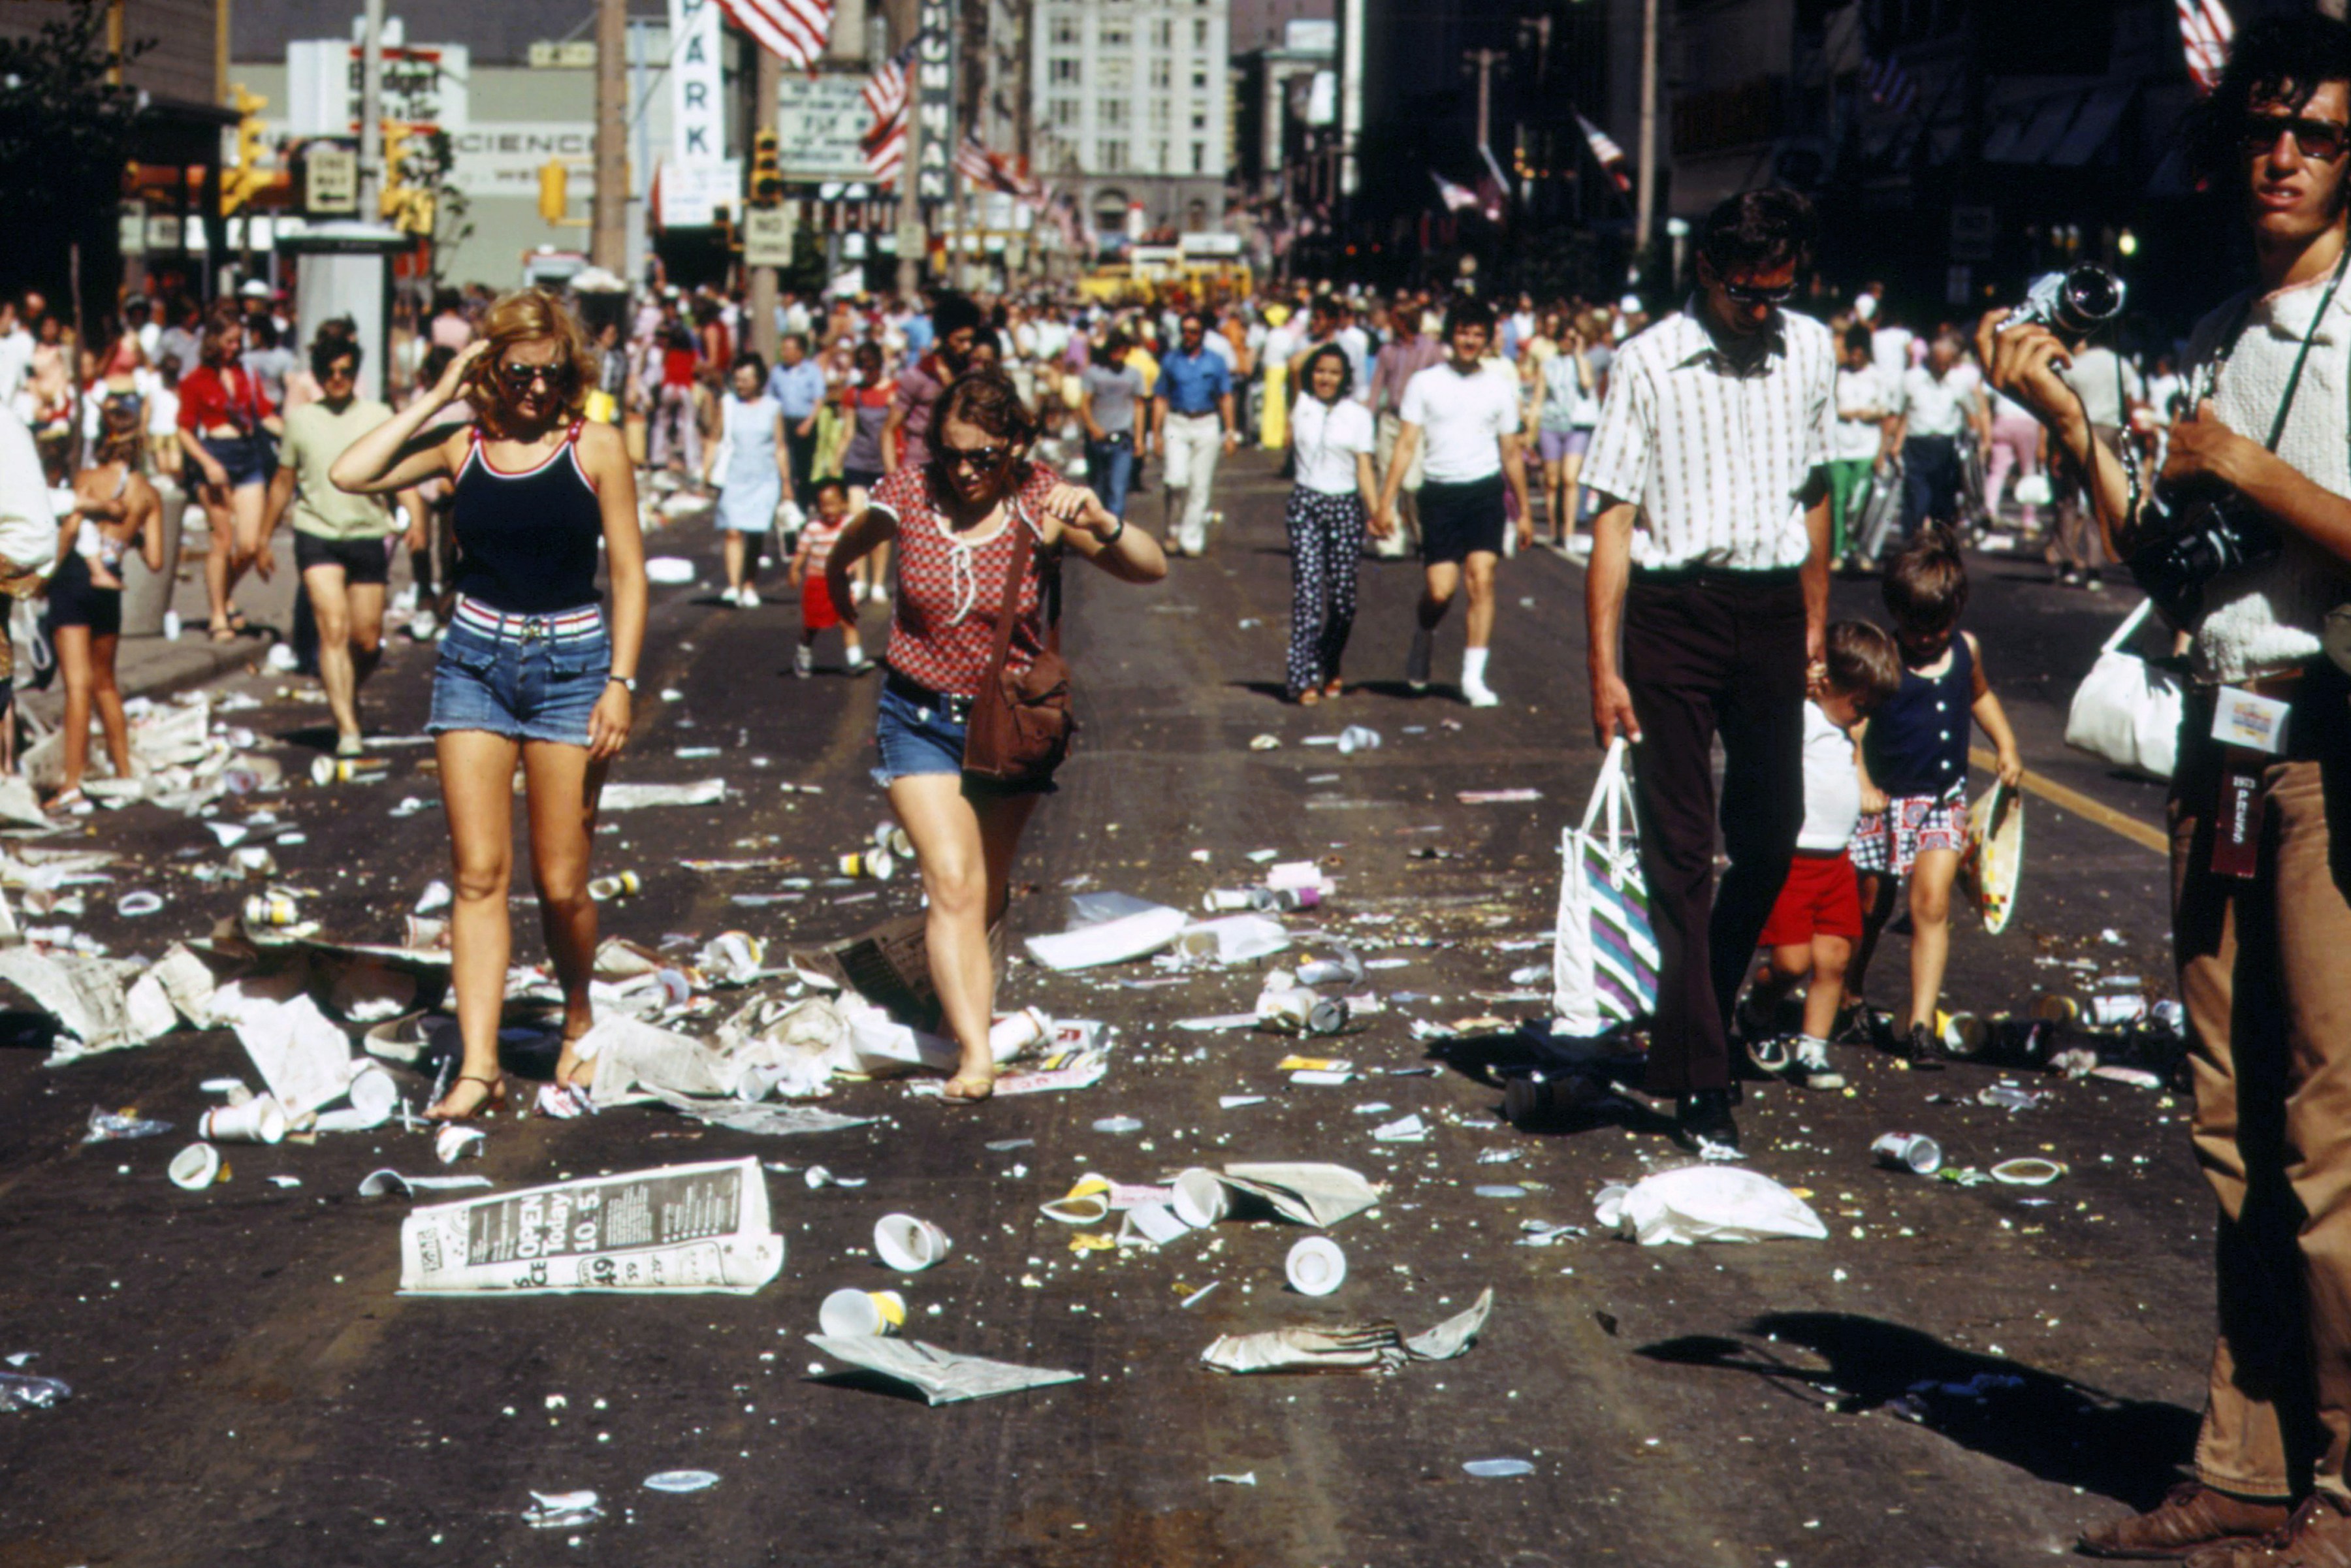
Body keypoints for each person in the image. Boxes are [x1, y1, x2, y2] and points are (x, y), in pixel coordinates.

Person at [1983, 18, 2351, 1560]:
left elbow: (2266, 508)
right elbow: (2170, 565)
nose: (2279, 156)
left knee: (2334, 1134)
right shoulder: (2224, 330)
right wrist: (2071, 422)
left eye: (2316, 133)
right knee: (2229, 1115)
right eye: (2262, 129)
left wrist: (2246, 471)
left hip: (2333, 744)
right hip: (2221, 742)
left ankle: (2343, 1485)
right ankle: (2242, 1457)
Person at [330, 289, 647, 1122]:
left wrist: (622, 681)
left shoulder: (597, 446)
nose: (538, 388)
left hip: (573, 667)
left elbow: (630, 574)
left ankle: (578, 1010)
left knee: (562, 881)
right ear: (491, 369)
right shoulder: (461, 445)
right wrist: (438, 395)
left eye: (552, 372)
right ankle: (479, 1065)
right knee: (476, 876)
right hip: (473, 660)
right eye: (519, 371)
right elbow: (349, 472)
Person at [823, 371, 1166, 1099]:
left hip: (1008, 725)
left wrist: (1101, 519)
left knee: (983, 890)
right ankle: (975, 1052)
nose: (967, 471)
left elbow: (1149, 567)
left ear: (1014, 444)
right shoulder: (909, 492)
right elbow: (853, 534)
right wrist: (832, 571)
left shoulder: (1041, 500)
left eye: (984, 456)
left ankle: (942, 995)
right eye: (952, 454)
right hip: (916, 716)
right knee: (952, 880)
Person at [1580, 187, 1837, 1157]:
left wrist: (1815, 616)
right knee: (1681, 854)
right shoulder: (1646, 362)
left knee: (1770, 833)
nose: (1761, 311)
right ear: (1705, 273)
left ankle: (1700, 1005)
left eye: (1778, 292)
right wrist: (1602, 667)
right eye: (1745, 294)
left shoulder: (1808, 347)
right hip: (1672, 616)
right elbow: (1611, 519)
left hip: (1770, 609)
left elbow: (1817, 488)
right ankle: (1698, 1076)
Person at [1842, 526, 2023, 1065]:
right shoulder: (1886, 658)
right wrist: (1862, 783)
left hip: (1943, 801)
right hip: (1885, 801)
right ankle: (1850, 992)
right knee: (1871, 905)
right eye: (1914, 627)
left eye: (1937, 626)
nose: (1926, 638)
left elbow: (1980, 695)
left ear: (1957, 609)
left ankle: (1921, 1023)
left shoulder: (1965, 650)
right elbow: (1856, 729)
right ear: (1896, 614)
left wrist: (2006, 744)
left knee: (1932, 904)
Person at [1736, 619, 1900, 1090]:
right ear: (1826, 683)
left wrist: (1866, 789)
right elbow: (1761, 696)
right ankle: (1758, 1010)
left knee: (1833, 959)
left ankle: (1813, 1050)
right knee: (1791, 962)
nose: (1862, 714)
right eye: (1859, 703)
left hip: (1835, 863)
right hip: (1794, 861)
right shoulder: (1799, 718)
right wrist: (1796, 678)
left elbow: (1850, 771)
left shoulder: (1848, 731)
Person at [1375, 298, 1531, 709]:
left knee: (1482, 578)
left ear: (1487, 341)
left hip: (1483, 493)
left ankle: (1472, 678)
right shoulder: (1425, 383)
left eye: (1477, 334)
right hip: (1439, 494)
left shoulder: (1499, 387)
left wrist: (1526, 510)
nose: (1469, 340)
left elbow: (1511, 452)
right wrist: (1385, 503)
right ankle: (1423, 636)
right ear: (1451, 335)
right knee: (1440, 591)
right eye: (1463, 332)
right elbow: (1407, 444)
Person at [266, 326, 406, 755]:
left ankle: (345, 691)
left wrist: (415, 514)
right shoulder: (301, 420)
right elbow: (283, 481)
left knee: (366, 640)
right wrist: (259, 537)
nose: (337, 378)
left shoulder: (378, 414)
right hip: (316, 533)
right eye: (328, 372)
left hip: (367, 531)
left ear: (355, 372)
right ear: (318, 375)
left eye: (344, 370)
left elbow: (401, 469)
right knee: (333, 629)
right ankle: (347, 728)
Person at [48, 399, 162, 809]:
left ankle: (72, 782)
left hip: (74, 578)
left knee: (77, 686)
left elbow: (73, 522)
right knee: (106, 684)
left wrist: (45, 577)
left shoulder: (87, 477)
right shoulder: (148, 493)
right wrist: (130, 536)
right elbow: (156, 561)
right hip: (111, 587)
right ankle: (124, 771)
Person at [175, 300, 280, 642]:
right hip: (215, 457)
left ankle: (223, 594)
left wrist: (299, 433)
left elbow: (265, 415)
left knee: (249, 545)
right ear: (214, 341)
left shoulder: (246, 374)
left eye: (240, 341)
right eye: (230, 341)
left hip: (248, 455)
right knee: (222, 540)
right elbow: (184, 429)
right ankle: (218, 613)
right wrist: (207, 463)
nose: (236, 348)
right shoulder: (195, 381)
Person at [1284, 344, 1378, 705]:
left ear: (1346, 378)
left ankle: (1329, 658)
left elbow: (1364, 467)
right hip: (1306, 503)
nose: (1326, 379)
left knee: (1342, 601)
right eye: (1321, 371)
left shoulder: (1358, 415)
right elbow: (1294, 363)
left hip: (1345, 506)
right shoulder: (1302, 404)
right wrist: (1324, 339)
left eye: (1335, 373)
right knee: (1307, 593)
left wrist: (1377, 511)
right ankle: (1303, 677)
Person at [1149, 311, 1238, 560]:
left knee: (1200, 485)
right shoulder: (1170, 360)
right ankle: (1173, 529)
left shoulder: (1216, 361)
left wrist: (1230, 432)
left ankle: (1192, 537)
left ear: (1202, 334)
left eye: (1194, 331)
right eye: (1185, 331)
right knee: (1176, 479)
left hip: (1206, 423)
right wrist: (1155, 434)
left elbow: (1226, 397)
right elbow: (1160, 397)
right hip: (1177, 422)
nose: (1189, 336)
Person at [707, 353, 792, 608]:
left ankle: (750, 585)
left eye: (746, 379)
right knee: (733, 530)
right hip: (734, 476)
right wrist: (706, 470)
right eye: (737, 379)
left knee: (755, 533)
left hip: (764, 478)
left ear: (759, 381)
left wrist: (786, 481)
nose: (740, 384)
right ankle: (734, 586)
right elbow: (714, 437)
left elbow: (780, 446)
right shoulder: (728, 404)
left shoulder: (773, 407)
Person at [1886, 332, 1985, 546]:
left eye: (1947, 364)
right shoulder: (1912, 379)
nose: (1942, 369)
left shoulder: (1958, 382)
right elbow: (1900, 414)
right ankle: (1911, 546)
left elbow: (1972, 413)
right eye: (1938, 364)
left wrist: (1977, 441)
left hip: (1945, 446)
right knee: (1916, 501)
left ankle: (1939, 549)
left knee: (1943, 503)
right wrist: (1893, 444)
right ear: (1930, 360)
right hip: (1917, 446)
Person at [1368, 297, 1442, 558]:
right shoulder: (1388, 350)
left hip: (1418, 424)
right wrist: (1369, 418)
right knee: (1386, 479)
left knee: (1412, 484)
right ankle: (1390, 538)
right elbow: (1377, 385)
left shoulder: (1432, 349)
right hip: (1391, 419)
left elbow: (1440, 385)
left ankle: (1423, 536)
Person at [882, 290, 982, 474]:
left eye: (971, 340)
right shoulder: (918, 376)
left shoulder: (974, 375)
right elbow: (889, 429)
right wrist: (892, 475)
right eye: (961, 340)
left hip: (960, 468)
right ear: (944, 337)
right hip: (920, 466)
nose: (968, 347)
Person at [1828, 325, 1891, 566]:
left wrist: (1871, 414)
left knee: (1859, 501)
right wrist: (1842, 412)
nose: (1854, 358)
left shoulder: (1877, 377)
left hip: (1866, 446)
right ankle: (1837, 551)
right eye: (1851, 353)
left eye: (1859, 353)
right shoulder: (1837, 375)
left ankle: (1857, 546)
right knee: (1838, 500)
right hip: (1839, 445)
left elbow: (1886, 411)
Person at [788, 478, 862, 677]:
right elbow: (802, 552)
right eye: (824, 505)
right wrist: (794, 570)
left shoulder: (849, 525)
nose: (829, 510)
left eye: (834, 504)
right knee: (812, 625)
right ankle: (803, 654)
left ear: (844, 504)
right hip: (817, 583)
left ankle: (855, 661)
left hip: (841, 582)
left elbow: (858, 550)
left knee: (848, 620)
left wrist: (858, 576)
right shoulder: (813, 528)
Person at [1078, 333, 1145, 522]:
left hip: (1123, 438)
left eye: (1123, 349)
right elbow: (1084, 403)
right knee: (1097, 490)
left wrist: (1139, 438)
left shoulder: (1134, 374)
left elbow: (1139, 406)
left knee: (1118, 490)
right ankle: (1096, 535)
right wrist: (1092, 426)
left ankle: (1114, 538)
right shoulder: (1093, 373)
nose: (1118, 353)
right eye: (1115, 349)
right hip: (1098, 438)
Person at [767, 333, 825, 500]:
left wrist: (808, 423)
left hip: (805, 422)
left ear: (800, 352)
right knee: (787, 465)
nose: (784, 353)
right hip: (784, 422)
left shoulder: (813, 371)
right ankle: (789, 502)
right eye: (783, 349)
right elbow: (771, 399)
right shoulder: (777, 372)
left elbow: (818, 400)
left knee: (804, 467)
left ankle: (804, 502)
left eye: (788, 349)